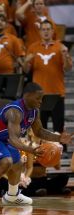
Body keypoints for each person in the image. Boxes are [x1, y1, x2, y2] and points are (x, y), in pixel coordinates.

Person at [0, 82, 74, 205]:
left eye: (42, 98)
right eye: (38, 98)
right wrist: (31, 150)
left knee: (17, 163)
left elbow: (39, 131)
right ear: (27, 95)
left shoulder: (34, 112)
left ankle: (12, 195)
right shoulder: (15, 111)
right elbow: (13, 139)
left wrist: (59, 138)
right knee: (6, 161)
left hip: (4, 139)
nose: (41, 102)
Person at [24, 20, 72, 151]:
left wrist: (66, 56)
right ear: (40, 32)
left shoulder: (60, 47)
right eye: (43, 29)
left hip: (57, 92)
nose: (45, 31)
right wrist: (26, 62)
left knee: (58, 125)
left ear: (52, 31)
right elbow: (26, 70)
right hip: (38, 96)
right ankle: (43, 151)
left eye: (48, 29)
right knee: (40, 126)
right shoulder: (33, 47)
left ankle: (61, 151)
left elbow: (68, 69)